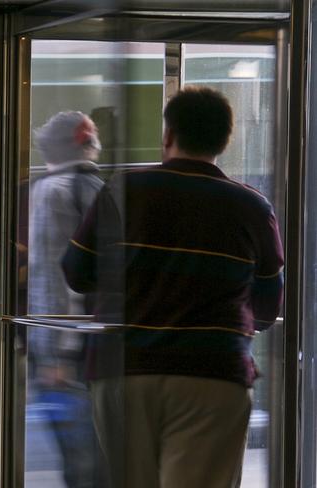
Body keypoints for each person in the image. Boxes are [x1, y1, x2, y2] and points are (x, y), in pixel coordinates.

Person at [62, 87, 284, 488]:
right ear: (224, 140)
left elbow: (76, 271)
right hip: (213, 374)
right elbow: (268, 305)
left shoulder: (121, 190)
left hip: (123, 368)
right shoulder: (253, 207)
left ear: (168, 135)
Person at [28, 111, 104, 488]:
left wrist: (56, 356)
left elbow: (55, 278)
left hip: (66, 353)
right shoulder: (99, 188)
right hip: (98, 344)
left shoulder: (52, 191)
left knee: (79, 464)